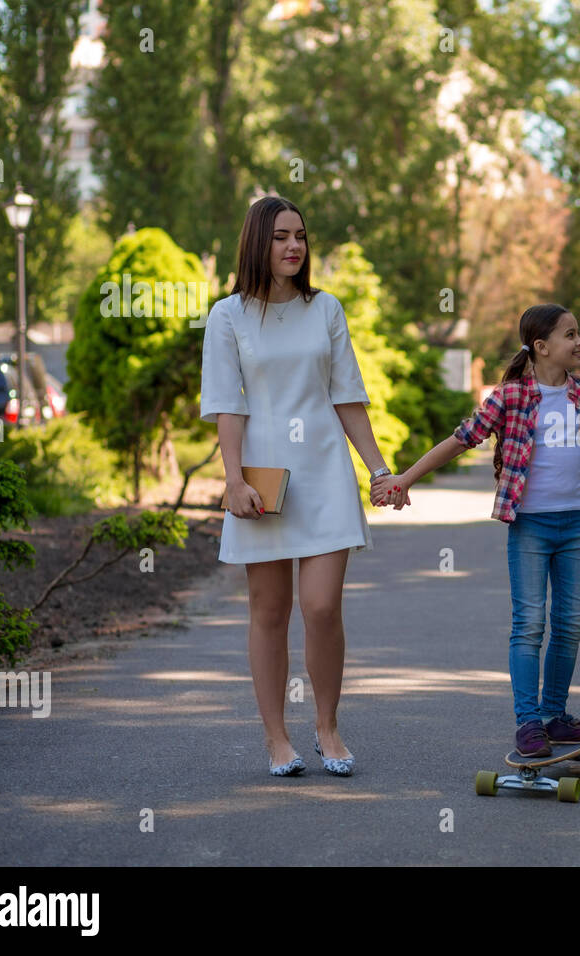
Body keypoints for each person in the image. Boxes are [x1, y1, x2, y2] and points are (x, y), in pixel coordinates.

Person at [371, 304, 580, 757]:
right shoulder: (510, 398)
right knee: (529, 625)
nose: (579, 342)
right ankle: (529, 723)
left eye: (578, 332)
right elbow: (461, 438)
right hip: (529, 527)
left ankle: (554, 715)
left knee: (569, 624)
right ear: (543, 347)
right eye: (571, 335)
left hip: (575, 527)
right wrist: (404, 479)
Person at [199, 196, 399, 777]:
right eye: (282, 236)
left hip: (323, 473)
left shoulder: (326, 309)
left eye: (301, 237)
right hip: (262, 480)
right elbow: (226, 407)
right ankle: (276, 739)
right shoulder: (227, 316)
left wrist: (378, 469)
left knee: (321, 605)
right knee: (268, 609)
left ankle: (328, 727)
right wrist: (231, 479)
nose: (294, 246)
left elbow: (347, 397)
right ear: (257, 243)